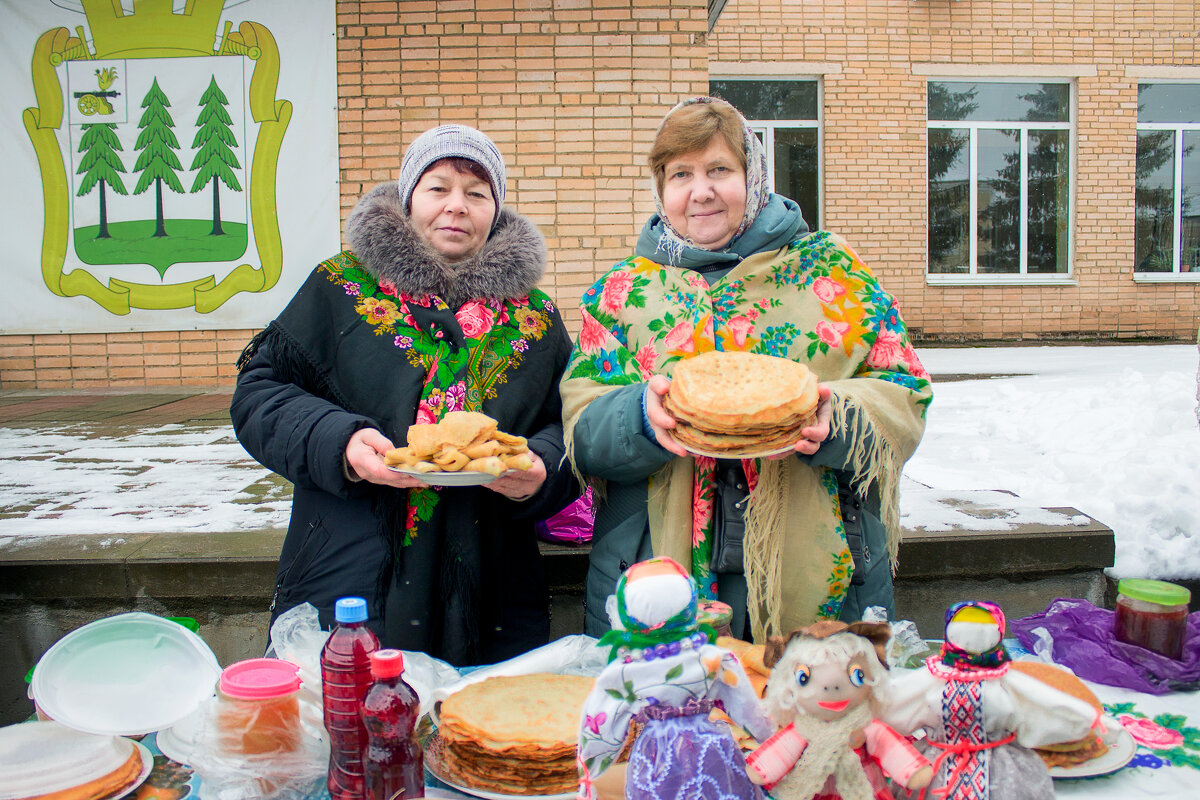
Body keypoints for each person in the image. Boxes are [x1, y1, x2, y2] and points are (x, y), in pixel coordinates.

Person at [560, 96, 933, 644]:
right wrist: (641, 415)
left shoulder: (834, 274)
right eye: (680, 174)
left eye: (719, 170)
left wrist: (839, 418)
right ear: (662, 189)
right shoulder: (624, 292)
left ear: (753, 177)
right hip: (655, 569)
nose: (700, 190)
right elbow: (581, 421)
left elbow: (905, 392)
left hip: (819, 556)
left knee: (810, 714)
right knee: (670, 718)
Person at [232, 124, 578, 666]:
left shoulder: (535, 318)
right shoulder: (340, 289)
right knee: (357, 723)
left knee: (479, 734)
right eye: (438, 187)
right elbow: (260, 396)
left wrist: (542, 469)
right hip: (352, 572)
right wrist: (340, 443)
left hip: (492, 589)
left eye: (477, 193)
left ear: (497, 209)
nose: (456, 206)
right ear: (408, 197)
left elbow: (570, 424)